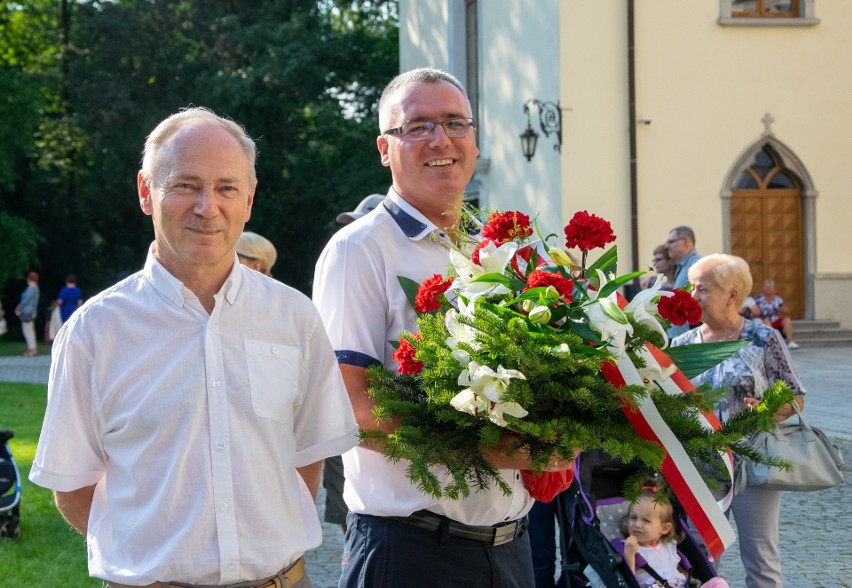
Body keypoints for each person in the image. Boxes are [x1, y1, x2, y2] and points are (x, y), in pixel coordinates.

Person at [28, 107, 358, 588]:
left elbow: (307, 454)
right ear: (146, 191)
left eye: (226, 187)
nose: (208, 207)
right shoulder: (94, 332)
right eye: (185, 185)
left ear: (249, 198)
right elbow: (72, 485)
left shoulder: (294, 318)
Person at [313, 67, 570, 588]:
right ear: (384, 148)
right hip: (410, 549)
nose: (441, 139)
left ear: (474, 141)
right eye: (417, 126)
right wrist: (489, 448)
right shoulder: (359, 249)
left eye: (456, 122)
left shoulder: (498, 247)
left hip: (510, 544)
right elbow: (350, 409)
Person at [671, 254, 805, 588]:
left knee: (761, 560)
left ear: (732, 295)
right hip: (700, 468)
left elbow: (795, 397)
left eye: (701, 289)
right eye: (690, 287)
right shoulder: (682, 345)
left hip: (752, 465)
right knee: (695, 560)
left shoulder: (763, 338)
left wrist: (765, 409)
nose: (692, 296)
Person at [321, 193, 385, 536]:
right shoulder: (342, 264)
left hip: (375, 433)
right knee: (345, 517)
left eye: (360, 222)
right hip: (339, 429)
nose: (351, 231)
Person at [619, 485, 729, 588]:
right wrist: (629, 555)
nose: (637, 525)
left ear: (665, 528)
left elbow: (679, 570)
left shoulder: (668, 545)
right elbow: (628, 582)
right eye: (633, 518)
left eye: (646, 521)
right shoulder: (628, 548)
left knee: (719, 583)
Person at [666, 226, 700, 338]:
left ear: (686, 242)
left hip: (683, 339)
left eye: (671, 241)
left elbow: (679, 305)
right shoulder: (684, 265)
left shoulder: (694, 266)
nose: (667, 246)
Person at [753, 279, 798, 349]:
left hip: (776, 320)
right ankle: (773, 342)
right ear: (763, 288)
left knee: (787, 320)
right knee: (766, 321)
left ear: (774, 289)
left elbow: (785, 310)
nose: (768, 289)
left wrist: (784, 310)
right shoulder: (758, 298)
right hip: (764, 321)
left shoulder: (778, 299)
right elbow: (754, 311)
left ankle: (790, 342)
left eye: (770, 288)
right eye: (767, 287)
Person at [14, 271, 40, 357]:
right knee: (31, 331)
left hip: (27, 312)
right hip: (32, 312)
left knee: (27, 331)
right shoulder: (36, 288)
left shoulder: (30, 288)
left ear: (29, 278)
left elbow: (25, 300)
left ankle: (31, 349)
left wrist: (19, 307)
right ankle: (33, 349)